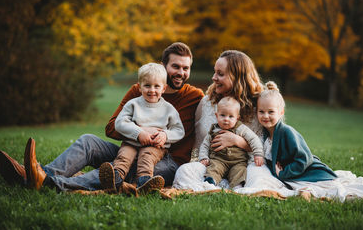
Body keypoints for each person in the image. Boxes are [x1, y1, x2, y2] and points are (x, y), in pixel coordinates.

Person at [0, 42, 204, 193]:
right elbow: (112, 127)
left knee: (123, 169)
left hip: (168, 161)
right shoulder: (138, 92)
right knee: (89, 141)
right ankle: (39, 173)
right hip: (130, 146)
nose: (181, 72)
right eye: (175, 66)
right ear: (163, 66)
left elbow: (220, 108)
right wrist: (140, 131)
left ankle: (49, 183)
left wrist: (164, 136)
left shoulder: (195, 96)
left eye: (186, 68)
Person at [173, 50, 287, 193]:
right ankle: (216, 185)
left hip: (247, 165)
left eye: (220, 74)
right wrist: (200, 161)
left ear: (238, 77)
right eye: (215, 72)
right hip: (212, 164)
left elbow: (271, 145)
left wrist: (237, 141)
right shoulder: (207, 102)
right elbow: (197, 143)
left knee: (260, 180)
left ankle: (230, 187)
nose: (214, 78)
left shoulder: (259, 105)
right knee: (184, 172)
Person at [255, 81, 363, 201]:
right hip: (294, 177)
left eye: (271, 112)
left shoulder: (287, 132)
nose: (265, 116)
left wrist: (282, 174)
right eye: (261, 112)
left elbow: (304, 159)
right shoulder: (264, 134)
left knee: (336, 192)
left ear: (281, 112)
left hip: (309, 173)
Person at [99, 63, 185, 194]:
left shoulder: (168, 109)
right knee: (123, 157)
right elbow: (120, 122)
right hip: (132, 142)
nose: (152, 90)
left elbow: (179, 130)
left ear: (164, 88)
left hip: (155, 146)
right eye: (147, 85)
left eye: (157, 86)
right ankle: (115, 179)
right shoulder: (133, 104)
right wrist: (138, 133)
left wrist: (165, 135)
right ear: (139, 87)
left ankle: (144, 182)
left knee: (146, 157)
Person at [198, 96, 264, 189]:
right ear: (217, 115)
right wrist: (203, 157)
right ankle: (210, 182)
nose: (226, 119)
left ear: (237, 118)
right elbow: (205, 145)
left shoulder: (240, 128)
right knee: (214, 168)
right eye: (223, 115)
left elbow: (254, 139)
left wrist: (258, 154)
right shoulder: (214, 130)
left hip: (237, 161)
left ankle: (237, 186)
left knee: (239, 171)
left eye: (231, 116)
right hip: (218, 160)